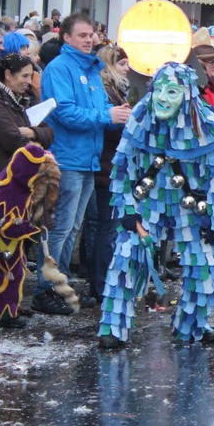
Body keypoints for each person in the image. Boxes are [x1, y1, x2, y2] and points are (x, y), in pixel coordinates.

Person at [98, 63, 214, 348]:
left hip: (192, 209)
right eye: (158, 89)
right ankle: (113, 326)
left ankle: (192, 323)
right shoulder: (139, 120)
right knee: (125, 257)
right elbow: (121, 167)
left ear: (186, 94)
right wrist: (126, 207)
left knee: (204, 267)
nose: (163, 97)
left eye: (172, 91)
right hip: (147, 205)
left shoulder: (207, 126)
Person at [32, 14, 130, 316]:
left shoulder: (92, 67)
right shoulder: (60, 68)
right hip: (68, 158)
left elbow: (98, 106)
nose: (89, 39)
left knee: (72, 227)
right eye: (83, 35)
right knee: (60, 228)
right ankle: (44, 289)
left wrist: (115, 111)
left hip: (88, 159)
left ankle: (61, 285)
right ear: (66, 38)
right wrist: (106, 117)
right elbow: (65, 113)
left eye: (91, 35)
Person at [80, 45, 129, 307]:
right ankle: (100, 285)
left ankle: (100, 282)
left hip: (107, 168)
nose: (127, 69)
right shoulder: (108, 94)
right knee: (104, 230)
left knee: (103, 229)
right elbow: (110, 131)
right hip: (106, 168)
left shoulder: (113, 92)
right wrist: (124, 120)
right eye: (122, 64)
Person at [0, 145, 61, 329]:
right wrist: (33, 227)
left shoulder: (20, 188)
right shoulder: (7, 192)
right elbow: (7, 227)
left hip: (13, 245)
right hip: (4, 244)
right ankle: (5, 313)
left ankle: (10, 307)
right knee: (10, 276)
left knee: (14, 273)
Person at [0, 51, 54, 170]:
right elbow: (12, 139)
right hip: (4, 177)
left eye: (30, 76)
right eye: (25, 76)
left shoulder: (21, 99)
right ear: (8, 75)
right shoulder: (0, 101)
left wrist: (32, 132)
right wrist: (37, 145)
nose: (29, 81)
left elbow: (50, 132)